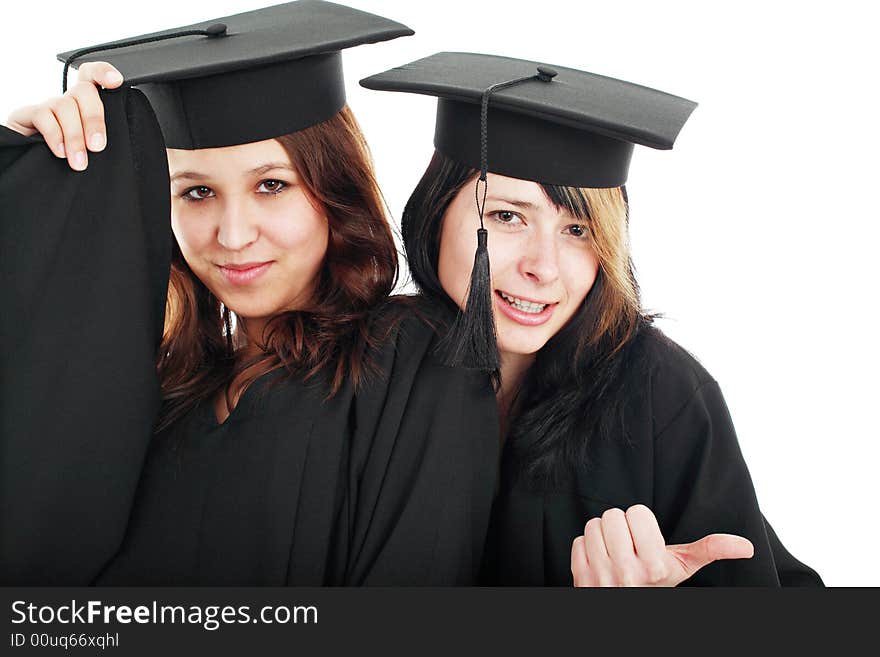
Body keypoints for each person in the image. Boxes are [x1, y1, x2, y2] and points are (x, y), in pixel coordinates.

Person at [0, 3, 498, 586]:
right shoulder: (162, 392)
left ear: (332, 188)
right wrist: (32, 183)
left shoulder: (415, 359)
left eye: (270, 185)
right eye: (196, 193)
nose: (233, 235)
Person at [361, 52, 824, 586]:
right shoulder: (363, 367)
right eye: (507, 216)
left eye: (577, 230)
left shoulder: (659, 395)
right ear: (436, 213)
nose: (543, 268)